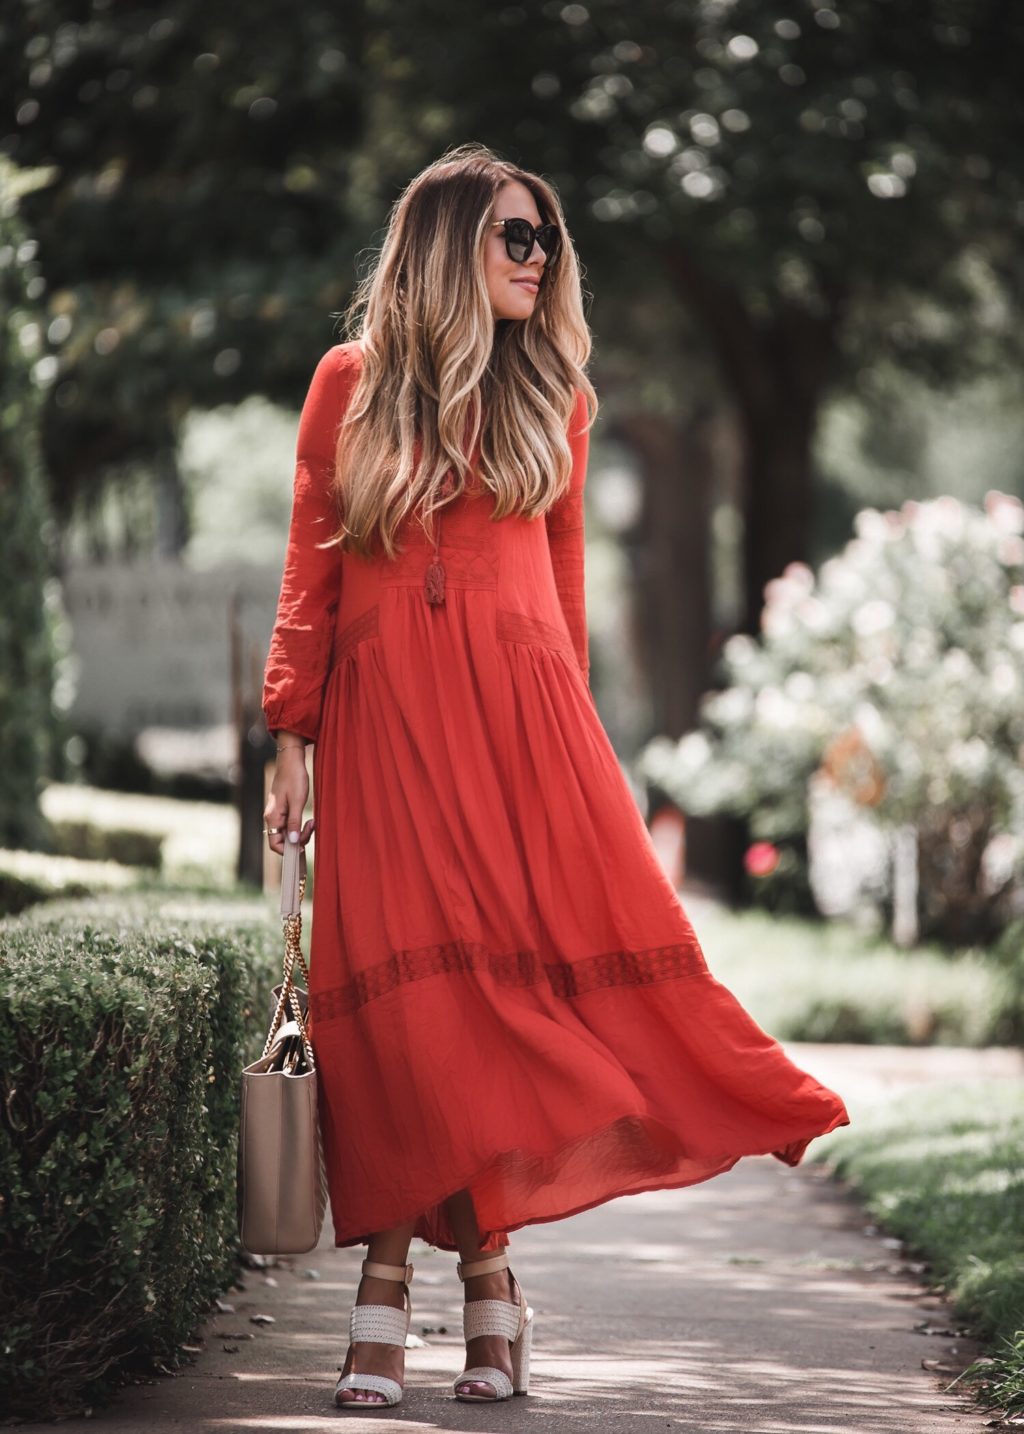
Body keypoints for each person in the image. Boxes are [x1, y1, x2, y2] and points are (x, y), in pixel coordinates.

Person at [261, 141, 850, 1412]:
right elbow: (311, 573)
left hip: (522, 734)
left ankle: (431, 1282)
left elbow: (565, 599)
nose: (538, 259)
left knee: (501, 1002)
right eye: (513, 237)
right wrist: (288, 738)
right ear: (444, 249)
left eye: (546, 240)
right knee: (414, 1012)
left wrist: (571, 755)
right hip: (385, 732)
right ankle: (456, 1281)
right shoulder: (349, 385)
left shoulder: (554, 400)